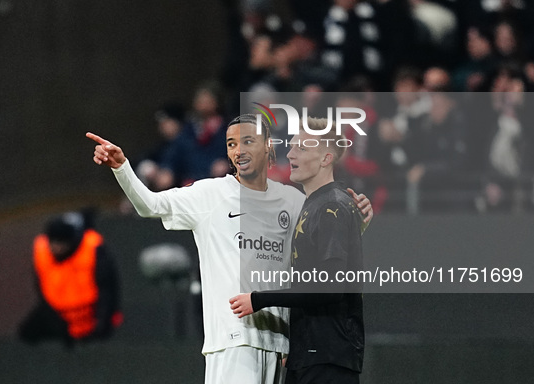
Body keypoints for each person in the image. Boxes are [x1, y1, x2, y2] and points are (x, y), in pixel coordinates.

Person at [86, 114, 372, 384]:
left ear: (267, 146)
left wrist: (356, 221)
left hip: (279, 343)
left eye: (247, 141)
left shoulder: (293, 200)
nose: (238, 150)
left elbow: (320, 246)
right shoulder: (210, 194)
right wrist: (122, 168)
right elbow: (150, 205)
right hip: (232, 339)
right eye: (231, 144)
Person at [229, 117, 365, 383]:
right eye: (291, 147)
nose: (290, 154)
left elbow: (328, 287)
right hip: (312, 354)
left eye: (301, 148)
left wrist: (258, 299)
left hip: (327, 358)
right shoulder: (316, 205)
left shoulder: (332, 207)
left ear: (326, 158)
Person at [19, 211, 122, 346]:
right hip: (60, 318)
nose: (56, 248)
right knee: (27, 333)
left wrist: (101, 323)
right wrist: (60, 326)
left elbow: (107, 290)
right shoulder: (42, 252)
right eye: (53, 243)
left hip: (90, 316)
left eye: (61, 243)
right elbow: (41, 290)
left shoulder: (92, 249)